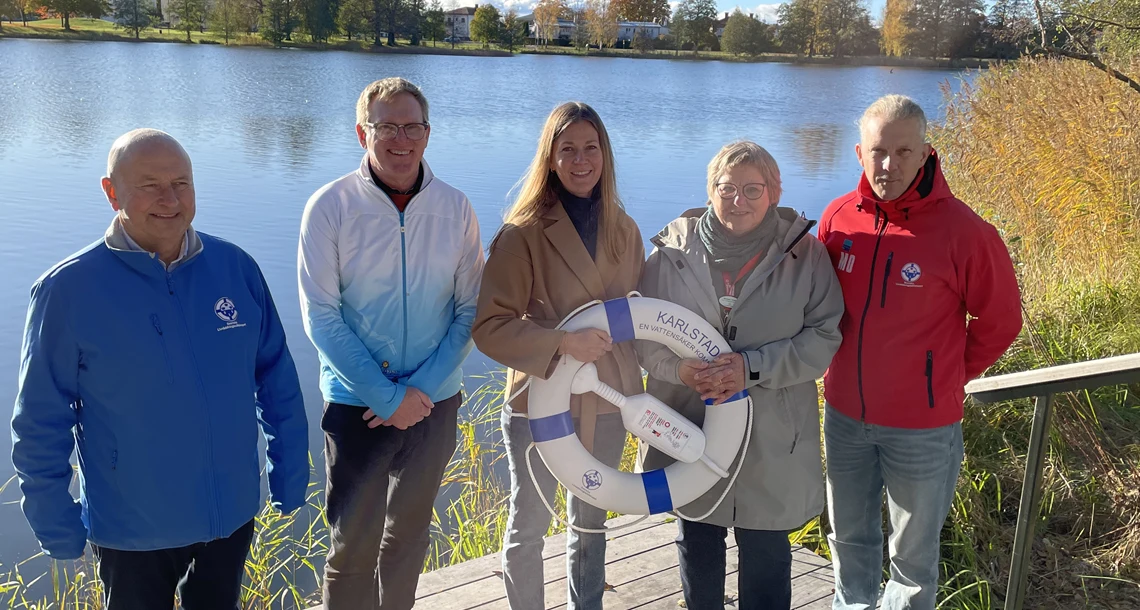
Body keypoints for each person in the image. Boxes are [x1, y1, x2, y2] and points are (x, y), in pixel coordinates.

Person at [10, 129, 310, 610]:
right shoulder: (68, 290)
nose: (169, 199)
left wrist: (290, 472)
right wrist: (56, 523)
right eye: (149, 184)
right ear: (112, 192)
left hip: (228, 515)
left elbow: (277, 381)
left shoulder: (234, 268)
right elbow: (39, 419)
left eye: (182, 182)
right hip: (133, 530)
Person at [818, 94, 1022, 609]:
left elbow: (1000, 322)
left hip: (922, 427)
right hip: (843, 416)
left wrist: (945, 377)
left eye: (903, 151)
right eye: (877, 151)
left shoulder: (965, 232)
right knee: (849, 543)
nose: (889, 165)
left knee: (911, 562)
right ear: (858, 153)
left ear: (927, 152)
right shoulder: (839, 220)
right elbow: (813, 307)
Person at [298, 77, 484, 610]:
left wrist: (419, 391)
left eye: (412, 127)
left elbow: (470, 309)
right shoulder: (329, 208)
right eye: (387, 127)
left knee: (408, 539)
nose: (401, 139)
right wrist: (385, 397)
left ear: (428, 134)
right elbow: (321, 316)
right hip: (359, 405)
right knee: (351, 548)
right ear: (363, 132)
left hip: (434, 402)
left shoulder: (456, 208)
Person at [637, 141, 844, 610]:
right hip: (689, 426)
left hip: (770, 438)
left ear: (774, 192)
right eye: (727, 188)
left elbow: (824, 338)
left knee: (768, 554)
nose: (739, 200)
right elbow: (642, 339)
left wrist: (752, 367)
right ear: (710, 191)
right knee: (698, 546)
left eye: (753, 189)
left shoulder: (806, 257)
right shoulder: (670, 254)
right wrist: (679, 370)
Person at [471, 101, 645, 610]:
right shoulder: (521, 234)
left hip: (609, 402)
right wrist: (563, 343)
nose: (580, 159)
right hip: (538, 405)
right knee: (529, 522)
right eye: (567, 149)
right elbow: (489, 328)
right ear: (549, 157)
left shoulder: (625, 230)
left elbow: (643, 316)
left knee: (590, 522)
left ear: (605, 155)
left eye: (591, 147)